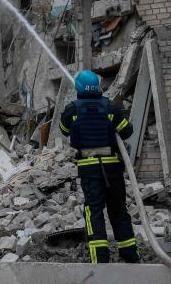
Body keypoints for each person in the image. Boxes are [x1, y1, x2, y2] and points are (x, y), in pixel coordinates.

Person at [59, 70, 140, 264]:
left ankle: (100, 260)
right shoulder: (110, 107)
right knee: (119, 210)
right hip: (112, 168)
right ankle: (130, 257)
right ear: (98, 86)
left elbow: (63, 129)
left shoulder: (72, 110)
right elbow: (127, 131)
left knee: (93, 211)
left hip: (89, 169)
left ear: (78, 88)